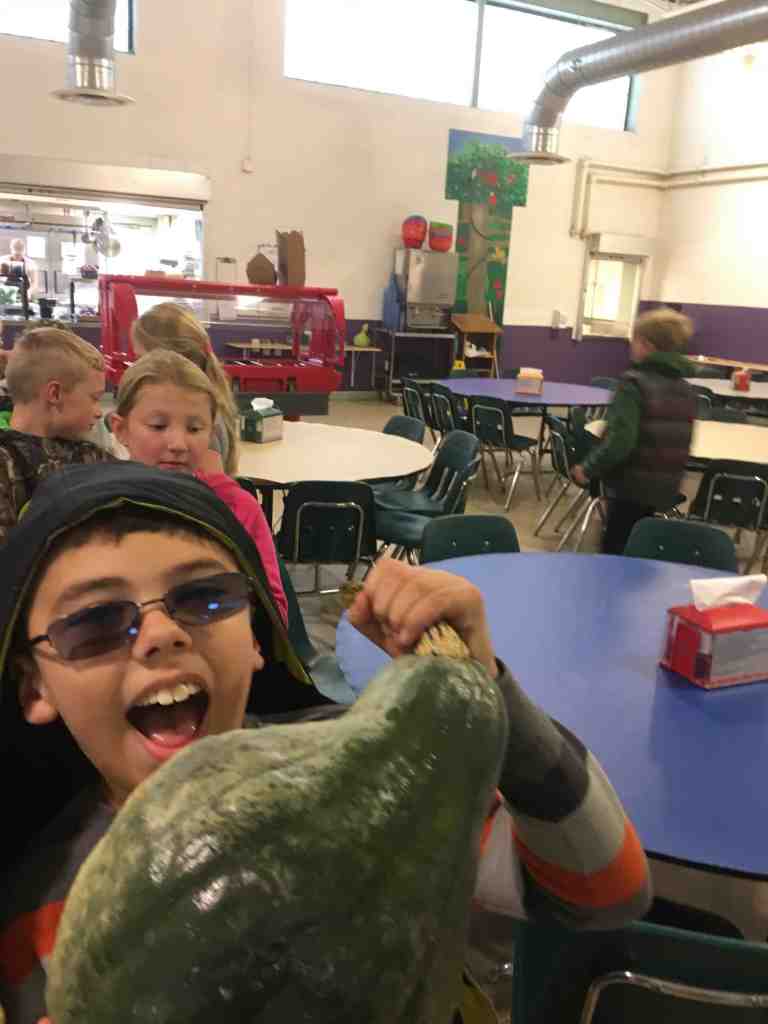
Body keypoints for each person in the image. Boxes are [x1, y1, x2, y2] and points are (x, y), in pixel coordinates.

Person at [0, 463, 650, 1024]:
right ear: (34, 686)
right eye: (93, 622)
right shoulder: (31, 910)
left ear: (258, 636)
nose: (161, 635)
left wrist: (484, 693)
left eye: (203, 596)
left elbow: (605, 890)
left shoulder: (372, 784)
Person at [110, 349, 288, 625]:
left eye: (194, 429)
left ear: (211, 434)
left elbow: (274, 609)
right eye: (158, 426)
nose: (179, 444)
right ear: (120, 429)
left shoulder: (237, 508)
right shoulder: (99, 511)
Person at [572, 307, 696, 555]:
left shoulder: (633, 384)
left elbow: (620, 440)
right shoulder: (685, 388)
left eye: (634, 340)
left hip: (631, 486)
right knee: (641, 551)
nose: (631, 345)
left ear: (647, 345)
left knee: (615, 554)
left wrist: (587, 468)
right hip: (664, 486)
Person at [0, 327, 112, 545]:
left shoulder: (92, 455)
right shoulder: (6, 463)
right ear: (55, 394)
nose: (99, 411)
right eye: (94, 398)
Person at [130, 302, 239, 475]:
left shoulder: (200, 424)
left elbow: (208, 492)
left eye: (140, 359)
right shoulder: (204, 408)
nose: (135, 368)